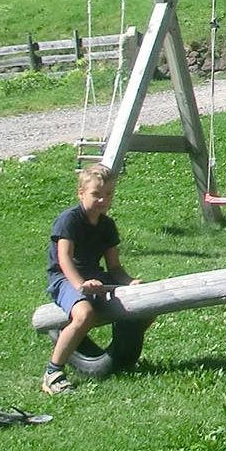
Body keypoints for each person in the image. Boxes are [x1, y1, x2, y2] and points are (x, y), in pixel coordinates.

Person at [43, 163, 139, 394]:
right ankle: (52, 372)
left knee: (142, 304)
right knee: (85, 314)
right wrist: (80, 286)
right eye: (96, 194)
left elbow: (114, 266)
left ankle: (124, 358)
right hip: (65, 278)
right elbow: (64, 259)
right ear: (81, 193)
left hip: (94, 276)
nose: (103, 200)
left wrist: (130, 282)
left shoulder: (107, 225)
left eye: (108, 195)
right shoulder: (69, 220)